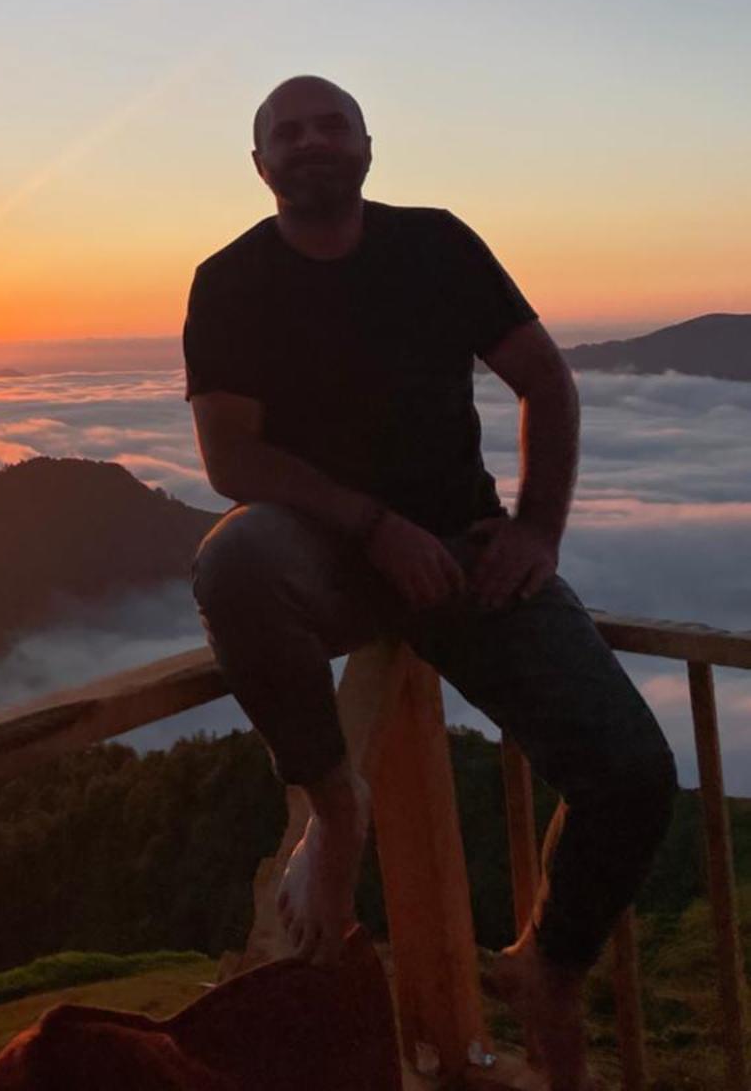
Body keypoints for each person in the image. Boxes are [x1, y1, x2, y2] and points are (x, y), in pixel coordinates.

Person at [184, 75, 676, 1091]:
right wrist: (371, 522)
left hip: (464, 551)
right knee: (232, 559)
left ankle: (547, 963)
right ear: (260, 163)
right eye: (289, 130)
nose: (312, 142)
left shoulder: (437, 245)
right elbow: (233, 461)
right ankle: (336, 801)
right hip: (326, 553)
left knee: (631, 770)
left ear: (368, 143)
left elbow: (546, 377)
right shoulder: (231, 279)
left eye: (332, 125)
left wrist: (538, 526)